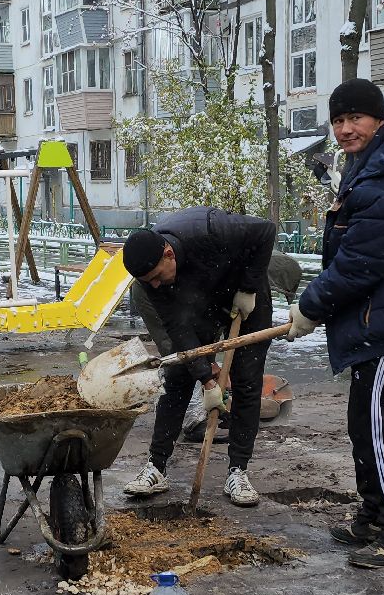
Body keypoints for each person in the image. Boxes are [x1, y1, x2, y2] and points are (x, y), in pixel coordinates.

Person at [286, 78, 384, 568]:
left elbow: (360, 263)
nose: (345, 129)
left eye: (355, 118)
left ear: (378, 119)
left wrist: (310, 307)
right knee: (365, 420)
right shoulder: (375, 164)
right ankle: (376, 513)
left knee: (375, 425)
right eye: (337, 121)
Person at [118, 207, 277, 507]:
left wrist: (248, 287)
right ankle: (156, 466)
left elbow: (265, 230)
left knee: (246, 382)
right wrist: (206, 379)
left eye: (155, 277)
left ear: (168, 254)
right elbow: (179, 330)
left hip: (246, 297)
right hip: (197, 305)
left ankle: (238, 471)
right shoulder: (151, 282)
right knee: (178, 375)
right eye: (146, 281)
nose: (153, 284)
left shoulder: (208, 228)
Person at [129, 250, 303, 441]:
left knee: (202, 352)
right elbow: (191, 340)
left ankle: (206, 406)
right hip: (155, 291)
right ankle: (191, 420)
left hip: (187, 293)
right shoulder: (235, 271)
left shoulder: (252, 269)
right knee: (179, 352)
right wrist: (208, 369)